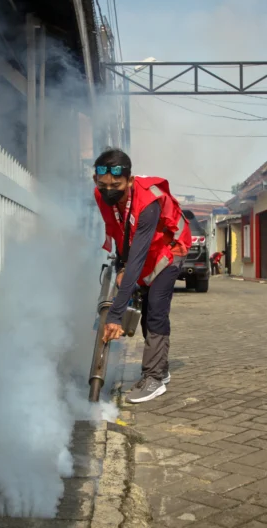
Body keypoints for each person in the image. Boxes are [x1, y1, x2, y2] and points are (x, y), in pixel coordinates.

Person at [93, 148, 192, 403]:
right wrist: (121, 266)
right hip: (146, 252)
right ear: (96, 181)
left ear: (129, 180)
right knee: (147, 307)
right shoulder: (102, 196)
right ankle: (161, 368)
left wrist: (116, 312)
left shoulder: (147, 202)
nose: (109, 190)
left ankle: (154, 378)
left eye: (116, 184)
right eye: (103, 184)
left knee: (156, 307)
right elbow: (118, 230)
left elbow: (137, 255)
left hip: (169, 249)